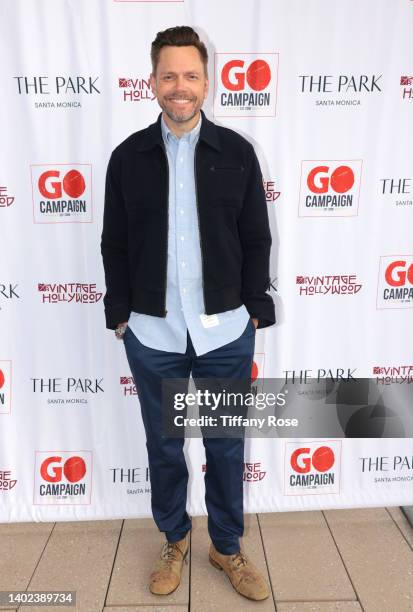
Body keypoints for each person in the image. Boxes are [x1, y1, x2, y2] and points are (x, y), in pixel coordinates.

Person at [101, 25, 275, 601]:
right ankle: (173, 538)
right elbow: (115, 243)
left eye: (191, 75)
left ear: (208, 81)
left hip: (226, 331)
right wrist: (122, 315)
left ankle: (226, 547)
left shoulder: (238, 154)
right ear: (152, 82)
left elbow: (255, 238)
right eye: (169, 75)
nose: (181, 87)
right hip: (153, 333)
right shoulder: (127, 158)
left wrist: (255, 310)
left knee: (226, 447)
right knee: (164, 446)